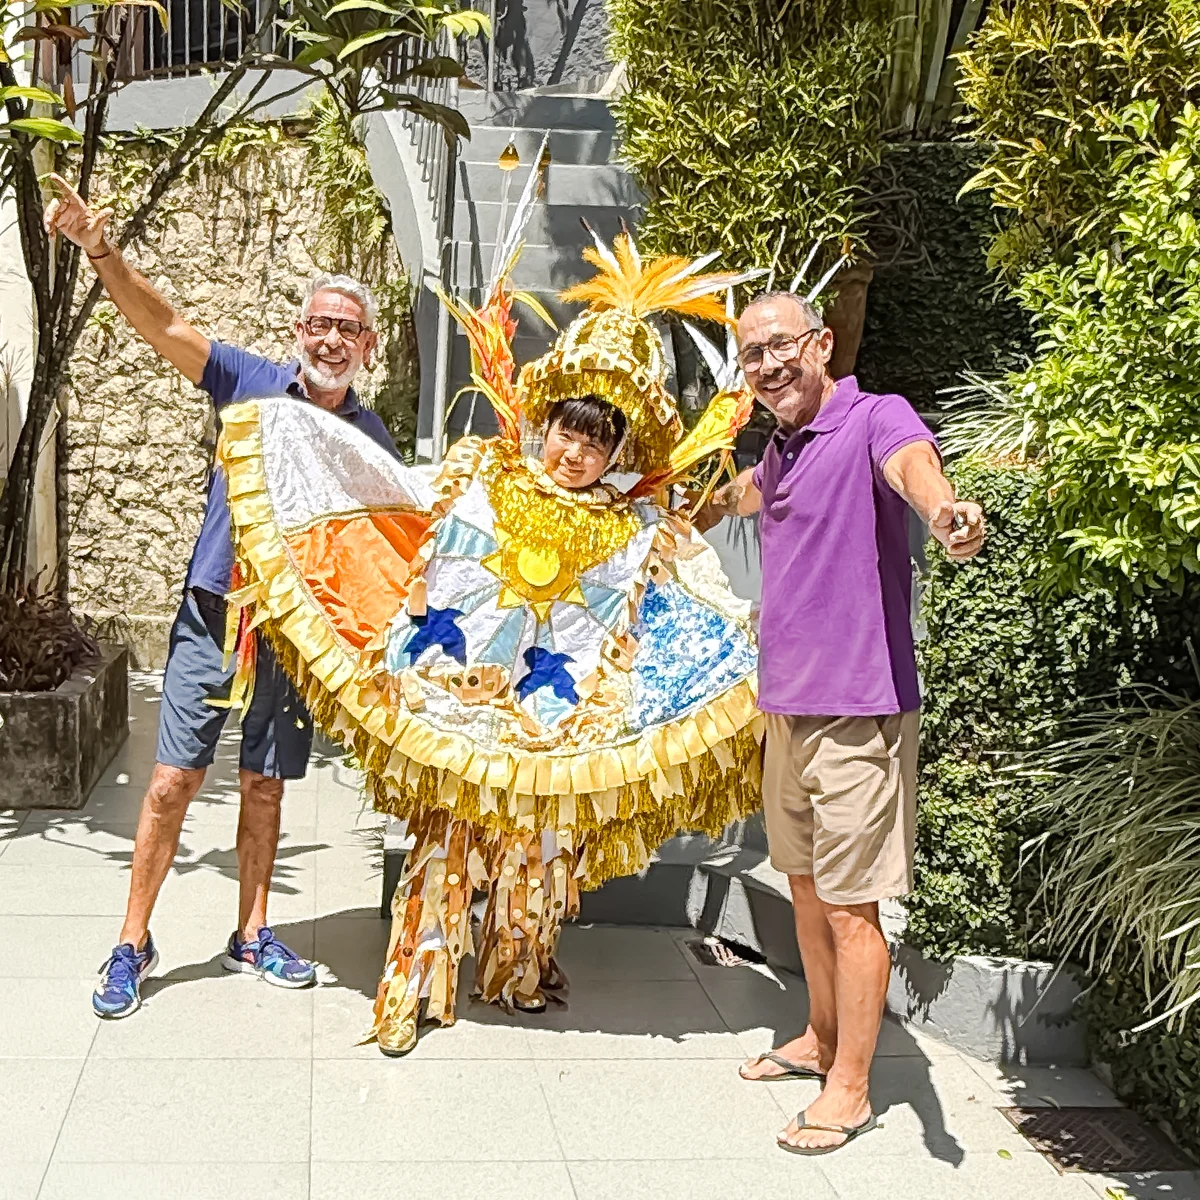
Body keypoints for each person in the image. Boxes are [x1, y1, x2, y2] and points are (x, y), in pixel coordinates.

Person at [210, 229, 767, 1054]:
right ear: (543, 423)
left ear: (616, 451)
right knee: (446, 843)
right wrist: (294, 444)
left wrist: (740, 635)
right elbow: (394, 492)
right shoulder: (479, 474)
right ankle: (412, 992)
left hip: (557, 719)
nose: (575, 453)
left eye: (596, 441)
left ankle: (517, 971)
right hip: (457, 701)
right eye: (566, 431)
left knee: (539, 850)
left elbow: (689, 590)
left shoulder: (634, 526)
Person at [43, 174, 402, 1019]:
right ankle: (132, 941)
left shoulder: (371, 440)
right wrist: (102, 249)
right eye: (319, 324)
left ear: (369, 347)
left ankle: (252, 933)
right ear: (298, 332)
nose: (331, 339)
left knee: (267, 786)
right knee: (171, 781)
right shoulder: (247, 381)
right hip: (215, 615)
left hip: (294, 636)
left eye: (348, 329)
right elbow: (161, 323)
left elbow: (389, 548)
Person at [696, 290, 985, 1155]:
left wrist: (946, 512)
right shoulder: (783, 450)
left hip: (860, 709)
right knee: (809, 891)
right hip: (788, 706)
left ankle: (852, 1088)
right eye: (752, 355)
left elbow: (916, 470)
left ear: (821, 344)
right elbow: (736, 496)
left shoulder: (873, 417)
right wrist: (667, 492)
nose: (769, 365)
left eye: (781, 345)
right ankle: (821, 1037)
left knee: (855, 909)